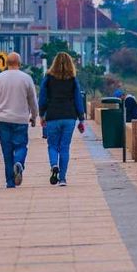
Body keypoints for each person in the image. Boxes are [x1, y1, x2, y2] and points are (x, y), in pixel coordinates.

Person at [0, 52, 39, 188]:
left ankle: (10, 182)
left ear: (6, 63)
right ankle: (19, 162)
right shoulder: (26, 78)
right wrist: (33, 117)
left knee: (6, 150)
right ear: (19, 63)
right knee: (21, 146)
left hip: (3, 120)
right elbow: (33, 100)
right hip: (21, 119)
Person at [39, 52, 85, 186]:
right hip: (69, 116)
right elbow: (78, 99)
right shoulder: (73, 79)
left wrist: (42, 115)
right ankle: (63, 179)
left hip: (53, 116)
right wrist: (81, 118)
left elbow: (42, 97)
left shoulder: (48, 78)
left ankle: (54, 165)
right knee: (65, 147)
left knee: (52, 145)